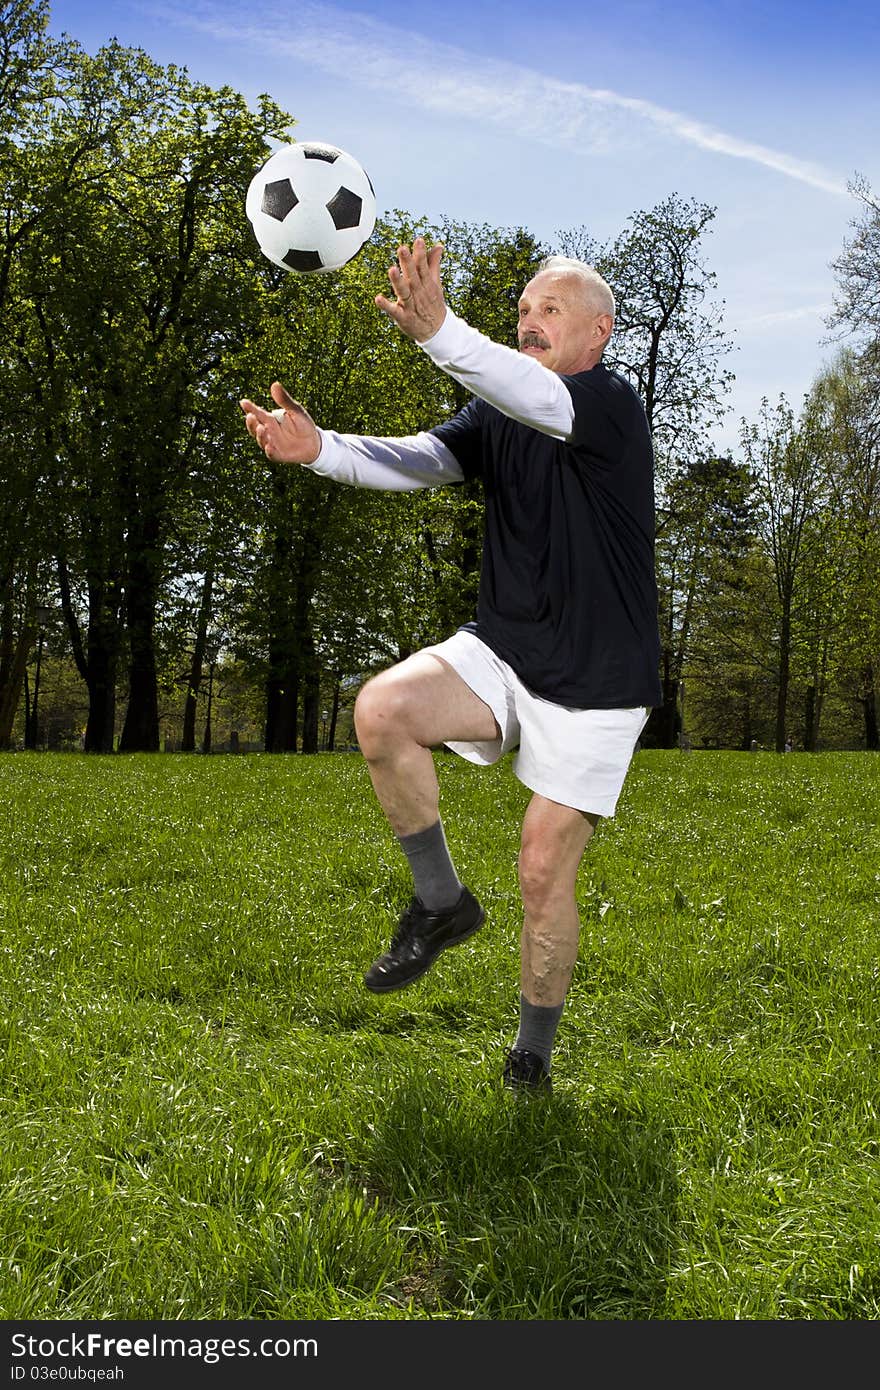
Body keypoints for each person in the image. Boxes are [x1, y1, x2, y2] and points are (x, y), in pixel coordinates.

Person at [240, 238, 662, 1094]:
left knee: (543, 865)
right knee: (384, 710)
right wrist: (320, 448)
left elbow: (534, 393)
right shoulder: (500, 410)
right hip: (506, 648)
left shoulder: (608, 402)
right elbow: (424, 460)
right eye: (522, 312)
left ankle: (530, 1059)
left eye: (550, 311)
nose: (530, 323)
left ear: (599, 332)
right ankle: (441, 903)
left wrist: (441, 333)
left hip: (599, 684)